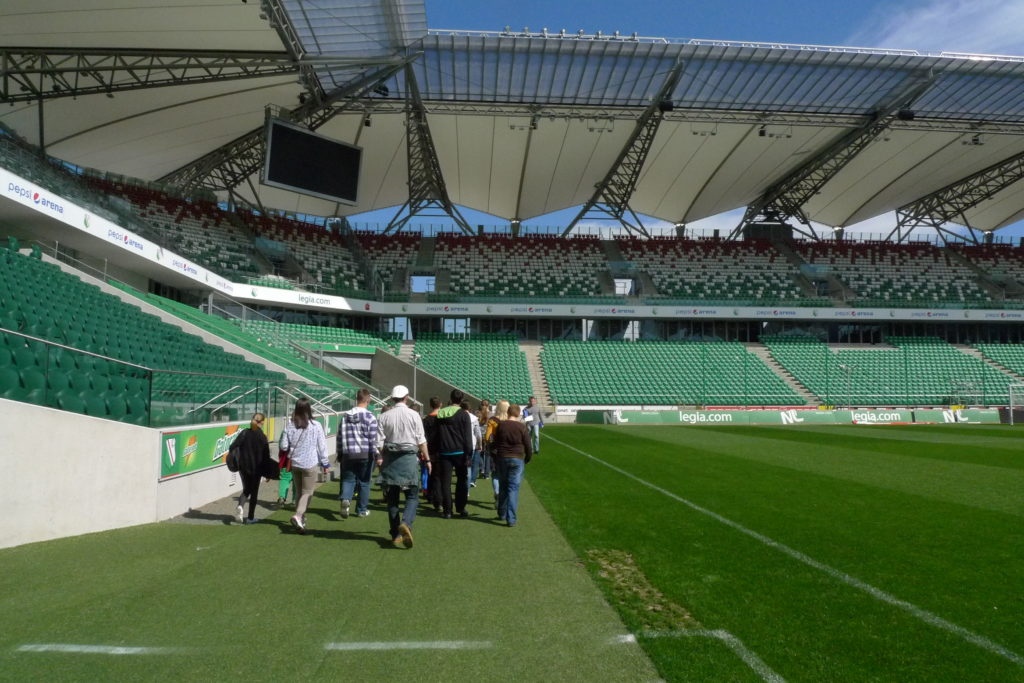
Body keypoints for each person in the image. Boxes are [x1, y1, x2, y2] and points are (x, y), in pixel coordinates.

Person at [376, 385, 429, 548]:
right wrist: (427, 459)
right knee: (412, 496)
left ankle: (395, 533)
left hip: (391, 459)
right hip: (408, 458)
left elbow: (379, 443)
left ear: (392, 398)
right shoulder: (414, 415)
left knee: (392, 499)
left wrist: (381, 457)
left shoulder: (384, 416)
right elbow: (421, 440)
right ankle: (406, 523)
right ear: (407, 397)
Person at [279, 398, 329, 534]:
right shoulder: (316, 425)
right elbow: (322, 446)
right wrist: (325, 462)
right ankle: (298, 515)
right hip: (310, 463)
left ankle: (301, 520)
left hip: (295, 463)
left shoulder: (290, 425)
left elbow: (283, 446)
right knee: (308, 493)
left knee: (299, 492)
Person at [337, 389, 378, 519]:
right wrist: (376, 454)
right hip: (365, 454)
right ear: (368, 400)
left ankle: (346, 498)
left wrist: (339, 453)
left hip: (348, 453)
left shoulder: (345, 416)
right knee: (364, 482)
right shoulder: (370, 417)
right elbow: (373, 439)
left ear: (357, 399)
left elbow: (339, 436)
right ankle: (361, 510)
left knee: (348, 480)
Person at [435, 389, 474, 519]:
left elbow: (436, 434)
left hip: (444, 451)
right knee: (461, 480)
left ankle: (447, 511)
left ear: (450, 398)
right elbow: (468, 437)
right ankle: (460, 507)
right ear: (461, 400)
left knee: (445, 482)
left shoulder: (441, 413)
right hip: (460, 452)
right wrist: (469, 454)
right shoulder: (463, 414)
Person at [494, 404, 533, 527]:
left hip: (503, 458)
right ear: (518, 413)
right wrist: (527, 458)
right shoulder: (521, 427)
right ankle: (510, 518)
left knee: (503, 486)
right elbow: (528, 445)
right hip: (517, 458)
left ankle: (501, 513)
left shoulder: (501, 425)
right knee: (513, 489)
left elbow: (495, 441)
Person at [233, 413, 270, 524]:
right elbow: (266, 457)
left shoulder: (244, 433)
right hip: (256, 468)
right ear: (262, 422)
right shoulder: (263, 437)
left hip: (243, 467)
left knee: (246, 489)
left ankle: (240, 505)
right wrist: (268, 473)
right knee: (254, 492)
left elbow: (232, 446)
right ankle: (250, 517)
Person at [483, 400, 509, 504]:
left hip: (496, 451)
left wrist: (489, 444)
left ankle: (497, 493)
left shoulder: (493, 420)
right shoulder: (510, 420)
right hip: (508, 450)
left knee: (495, 474)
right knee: (506, 475)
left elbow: (487, 436)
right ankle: (504, 495)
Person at [421, 397, 443, 511]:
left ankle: (430, 495)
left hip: (429, 449)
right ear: (440, 404)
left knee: (431, 474)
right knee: (438, 476)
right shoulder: (443, 419)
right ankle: (438, 500)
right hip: (441, 450)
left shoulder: (426, 419)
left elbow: (423, 436)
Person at [465, 400, 482, 487]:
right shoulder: (474, 419)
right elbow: (478, 434)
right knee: (471, 465)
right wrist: (480, 445)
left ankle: (465, 484)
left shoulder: (458, 416)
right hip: (472, 444)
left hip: (460, 445)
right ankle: (470, 483)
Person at [476, 400, 491, 479]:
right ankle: (486, 473)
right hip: (488, 436)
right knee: (487, 455)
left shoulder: (477, 413)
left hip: (479, 435)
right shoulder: (491, 414)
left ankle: (481, 469)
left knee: (480, 453)